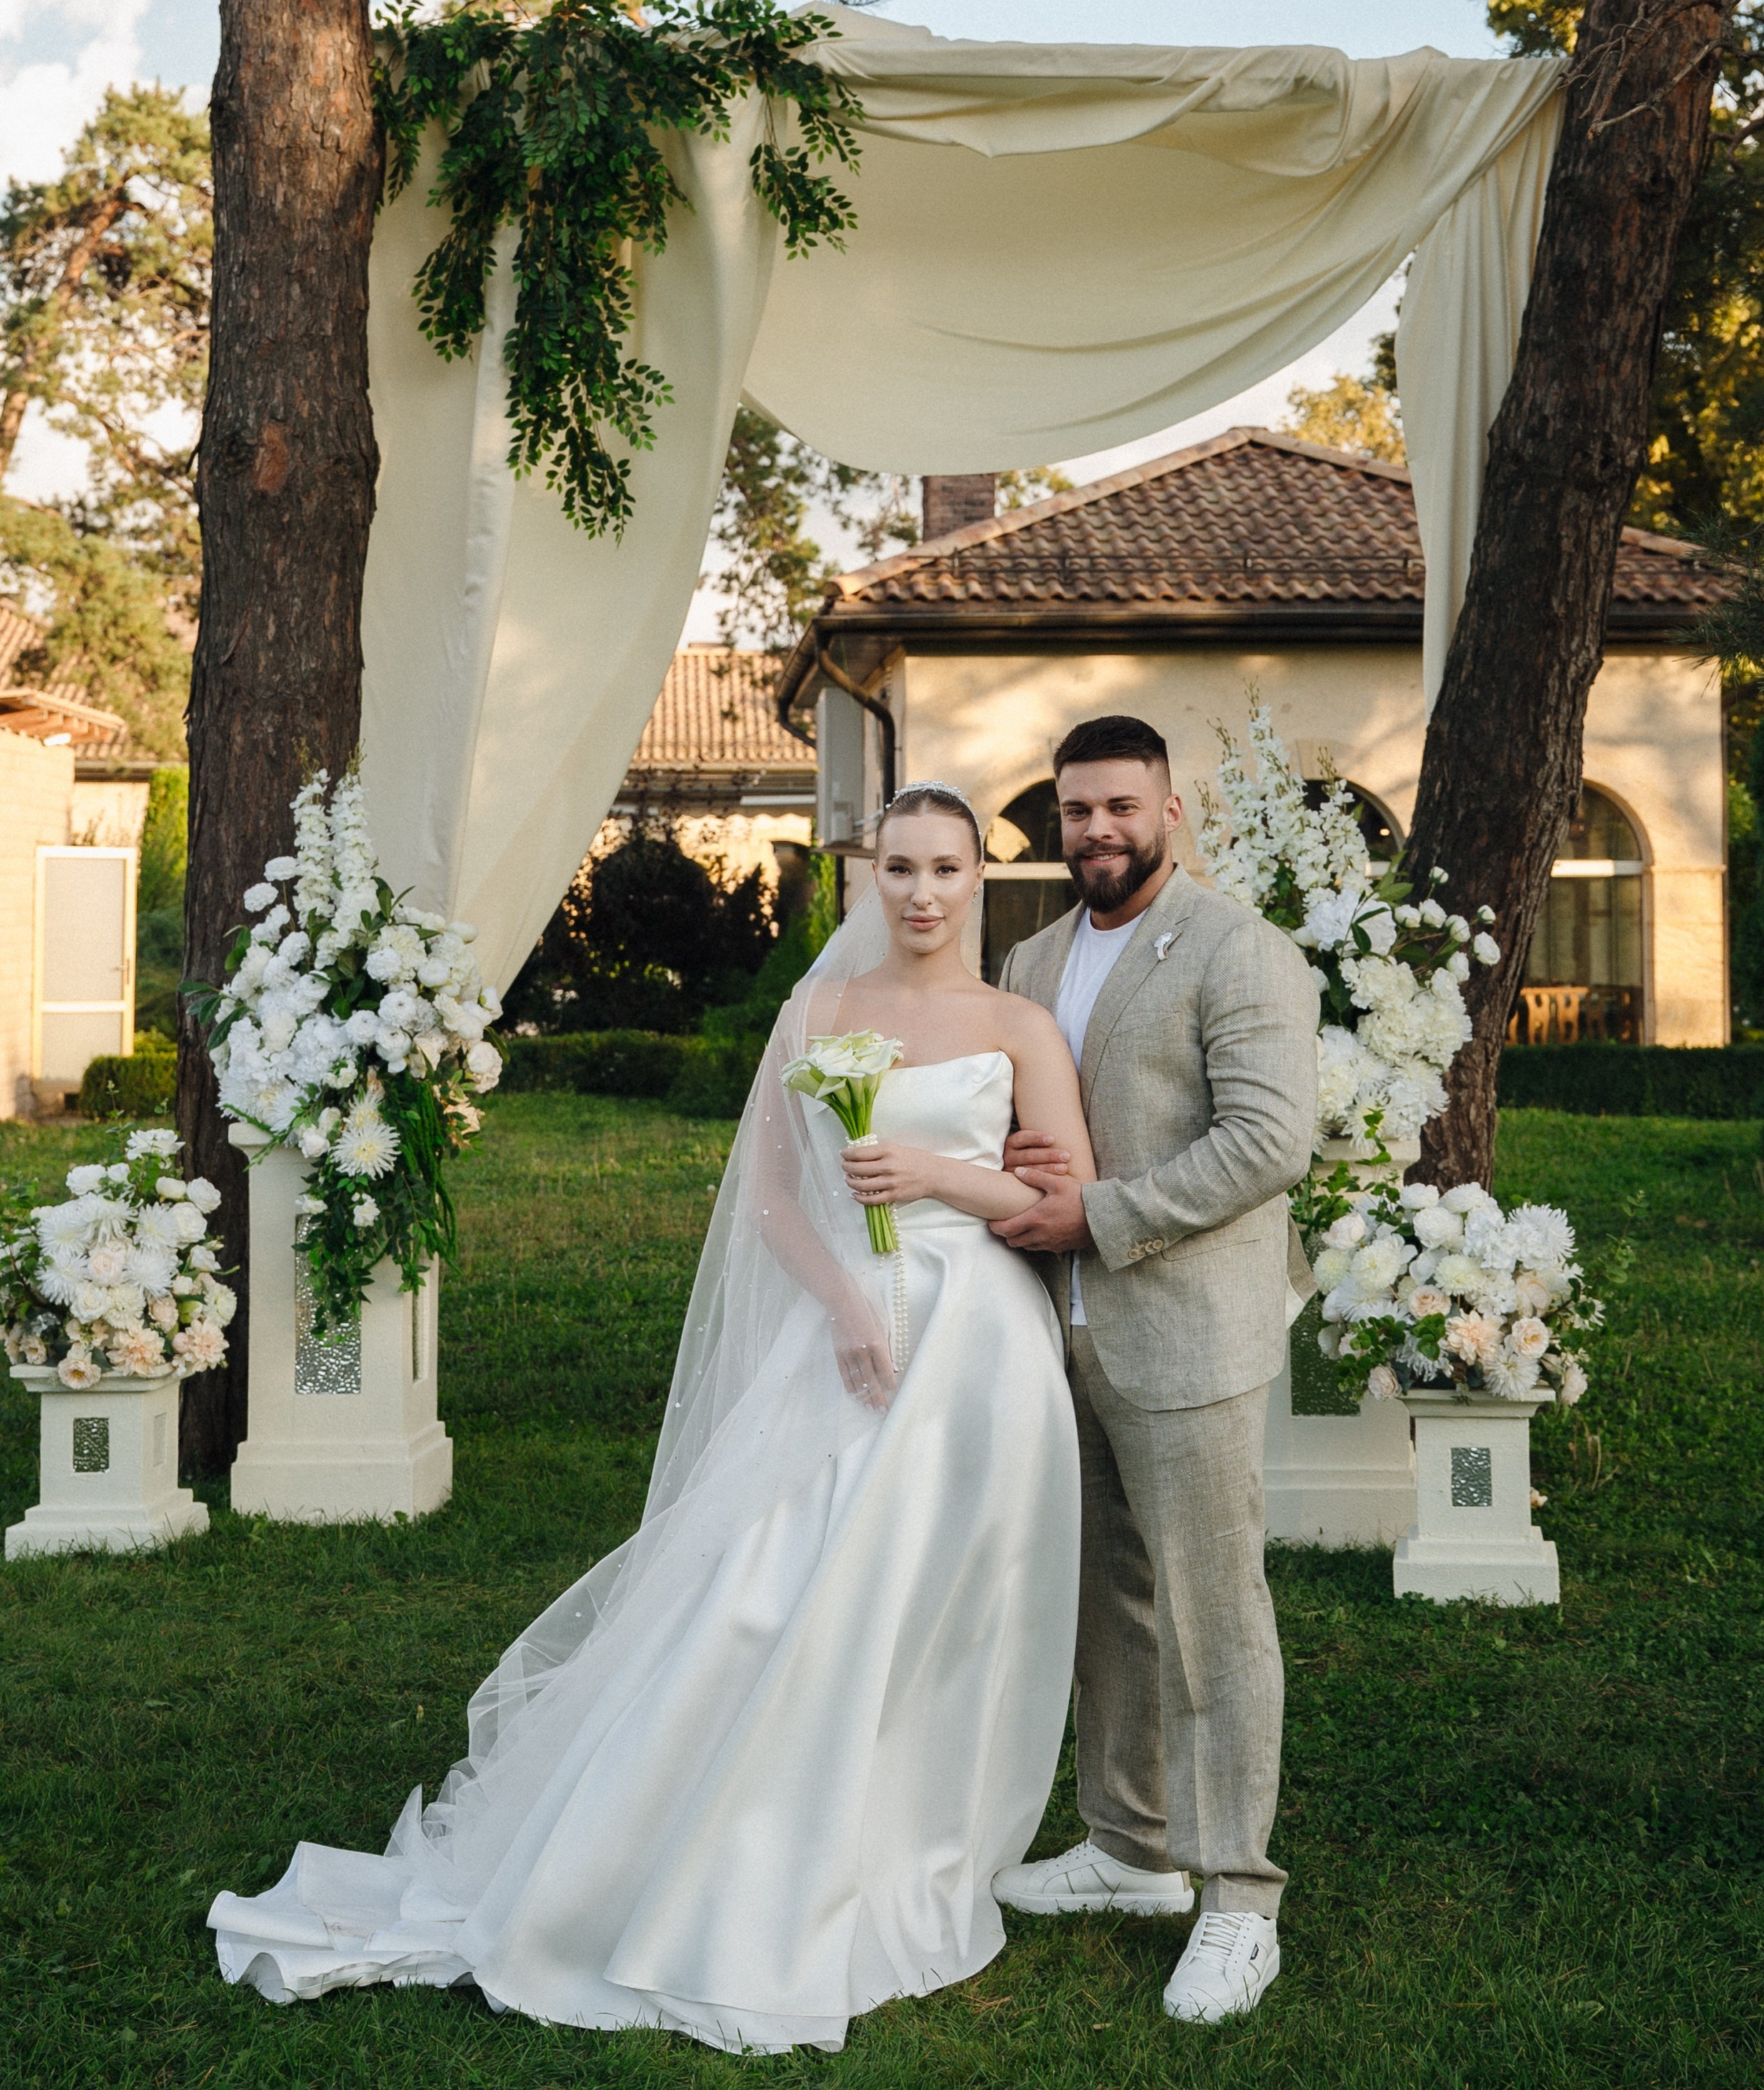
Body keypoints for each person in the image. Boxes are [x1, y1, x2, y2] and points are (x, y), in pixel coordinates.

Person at [209, 783, 1093, 2055]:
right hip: (848, 1335)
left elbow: (1063, 1195)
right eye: (898, 866)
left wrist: (944, 1176)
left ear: (978, 876)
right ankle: (721, 1837)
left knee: (947, 1599)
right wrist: (846, 1302)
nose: (921, 893)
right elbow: (777, 1201)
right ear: (870, 874)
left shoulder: (1020, 1025)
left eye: (946, 868)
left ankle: (906, 1831)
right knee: (773, 1585)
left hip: (979, 1353)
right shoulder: (819, 1009)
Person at [988, 713, 1318, 2027]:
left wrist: (1101, 1217)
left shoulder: (1239, 949)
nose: (1098, 832)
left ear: (1171, 811)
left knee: (1213, 1619)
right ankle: (1130, 1851)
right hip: (1053, 1327)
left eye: (1123, 807)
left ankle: (1241, 1899)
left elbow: (1271, 1140)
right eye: (1077, 812)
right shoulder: (1030, 953)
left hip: (1185, 1331)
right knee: (1105, 1596)